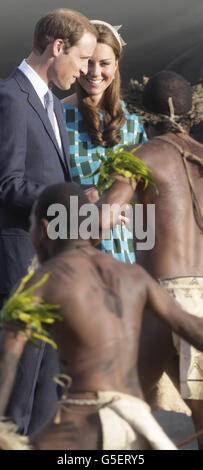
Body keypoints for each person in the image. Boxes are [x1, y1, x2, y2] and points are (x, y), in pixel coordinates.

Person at [2, 182, 203, 450]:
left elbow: (7, 358)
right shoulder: (133, 276)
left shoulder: (42, 281)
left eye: (32, 227)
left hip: (82, 424)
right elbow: (193, 328)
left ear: (46, 228)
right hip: (135, 425)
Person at [0, 8, 97, 436]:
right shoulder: (9, 98)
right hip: (19, 259)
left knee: (45, 390)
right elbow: (7, 184)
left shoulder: (54, 108)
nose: (84, 71)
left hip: (52, 262)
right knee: (16, 393)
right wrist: (67, 201)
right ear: (57, 47)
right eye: (81, 58)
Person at [100, 70, 203, 448]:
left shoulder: (141, 155)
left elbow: (102, 220)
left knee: (117, 412)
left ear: (142, 112)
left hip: (162, 301)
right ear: (193, 112)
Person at [62, 20, 147, 264]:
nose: (95, 72)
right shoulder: (55, 116)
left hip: (128, 258)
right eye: (88, 62)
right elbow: (38, 184)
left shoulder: (133, 124)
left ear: (116, 64)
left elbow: (149, 194)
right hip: (74, 254)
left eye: (104, 63)